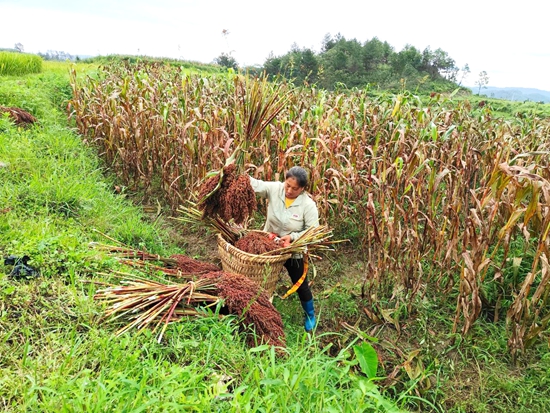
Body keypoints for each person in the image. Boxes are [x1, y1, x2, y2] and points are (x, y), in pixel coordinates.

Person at [249, 166, 319, 332]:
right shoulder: (275, 189)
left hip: (292, 251)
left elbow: (313, 231)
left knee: (300, 283)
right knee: (260, 278)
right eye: (287, 185)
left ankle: (310, 314)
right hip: (268, 245)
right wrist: (237, 176)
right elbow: (256, 185)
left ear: (302, 189)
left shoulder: (308, 205)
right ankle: (256, 307)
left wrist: (293, 238)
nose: (289, 190)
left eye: (294, 188)